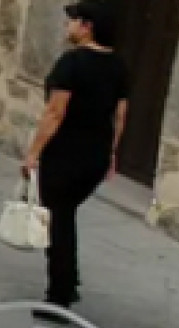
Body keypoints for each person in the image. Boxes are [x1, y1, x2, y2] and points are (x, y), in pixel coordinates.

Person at [22, 1, 127, 309]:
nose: (67, 26)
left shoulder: (72, 64)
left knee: (59, 219)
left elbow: (55, 113)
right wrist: (112, 153)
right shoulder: (119, 66)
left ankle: (60, 292)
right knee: (65, 215)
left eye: (72, 21)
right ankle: (68, 281)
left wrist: (33, 153)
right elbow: (120, 115)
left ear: (87, 26)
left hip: (65, 154)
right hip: (94, 156)